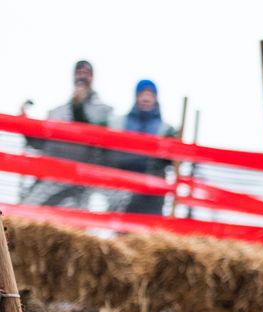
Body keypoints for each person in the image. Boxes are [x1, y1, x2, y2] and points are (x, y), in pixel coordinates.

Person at [21, 60, 115, 209]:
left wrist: (78, 109)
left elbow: (101, 145)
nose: (82, 76)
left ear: (92, 78)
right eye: (79, 72)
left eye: (86, 73)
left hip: (82, 185)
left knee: (73, 224)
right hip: (50, 179)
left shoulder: (105, 112)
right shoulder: (55, 112)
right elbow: (41, 145)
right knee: (27, 214)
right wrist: (25, 126)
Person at [112, 79, 177, 215]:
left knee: (149, 233)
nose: (146, 98)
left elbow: (172, 161)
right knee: (121, 231)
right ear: (136, 97)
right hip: (123, 188)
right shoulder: (119, 123)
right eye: (143, 94)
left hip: (152, 194)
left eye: (150, 94)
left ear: (155, 98)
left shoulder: (166, 130)